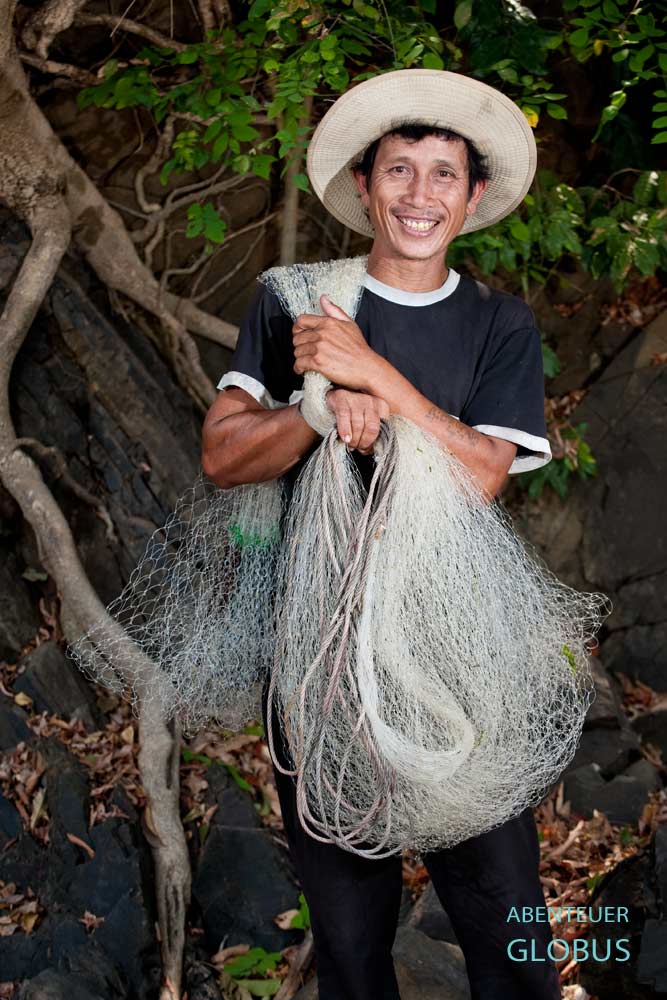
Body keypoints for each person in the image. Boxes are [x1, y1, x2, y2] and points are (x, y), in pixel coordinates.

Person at [202, 69, 562, 1000]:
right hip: (318, 662)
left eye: (443, 173)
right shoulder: (293, 299)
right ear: (362, 185)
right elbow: (222, 456)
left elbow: (482, 475)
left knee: (507, 924)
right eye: (399, 169)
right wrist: (316, 414)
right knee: (354, 948)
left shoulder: (497, 324)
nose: (419, 195)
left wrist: (376, 384)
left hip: (455, 661)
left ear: (473, 196)